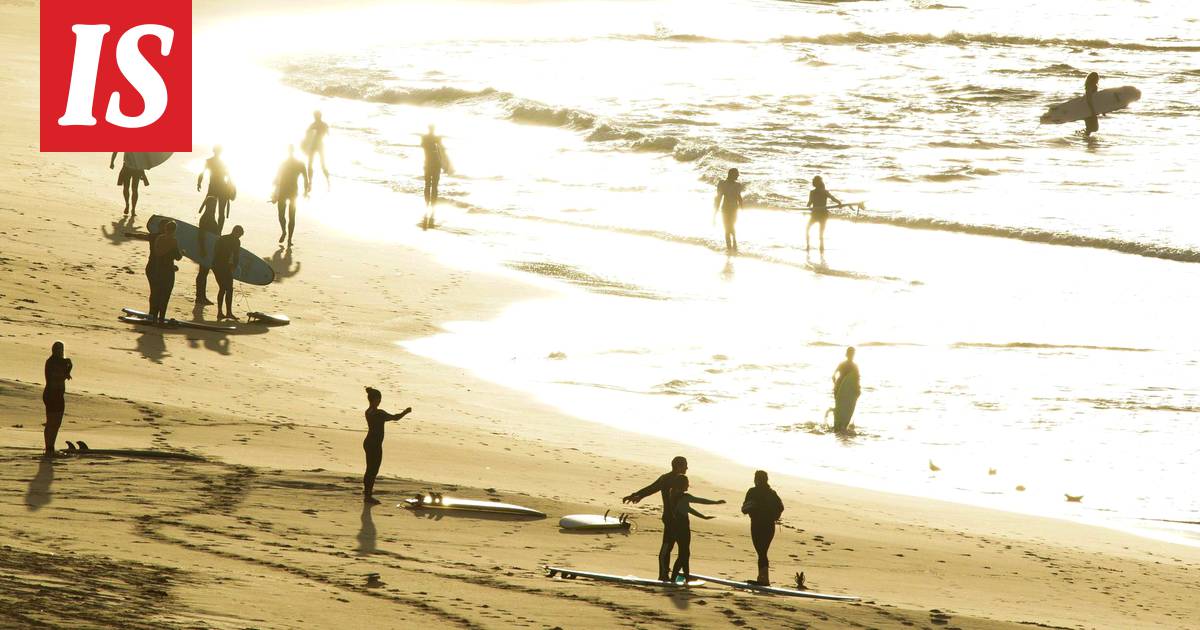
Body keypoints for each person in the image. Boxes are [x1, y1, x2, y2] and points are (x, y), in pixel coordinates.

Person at [622, 455, 689, 582]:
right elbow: (652, 488)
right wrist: (636, 495)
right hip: (670, 519)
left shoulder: (679, 479)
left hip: (680, 520)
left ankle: (676, 574)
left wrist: (637, 495)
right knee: (668, 546)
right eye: (685, 465)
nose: (687, 467)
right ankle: (663, 575)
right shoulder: (668, 479)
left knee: (681, 549)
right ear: (679, 466)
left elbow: (651, 488)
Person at [668, 475, 724, 584]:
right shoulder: (684, 497)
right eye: (687, 483)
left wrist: (703, 517)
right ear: (682, 484)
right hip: (683, 528)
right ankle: (674, 578)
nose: (688, 485)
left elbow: (688, 509)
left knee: (685, 553)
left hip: (675, 527)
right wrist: (716, 502)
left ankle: (686, 577)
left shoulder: (673, 495)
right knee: (684, 553)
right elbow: (700, 500)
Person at [362, 387, 413, 504]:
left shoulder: (368, 411)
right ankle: (368, 496)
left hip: (368, 442)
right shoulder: (379, 413)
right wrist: (406, 412)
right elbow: (396, 418)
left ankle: (367, 492)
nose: (380, 401)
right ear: (375, 399)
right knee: (373, 470)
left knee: (369, 468)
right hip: (375, 444)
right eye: (379, 399)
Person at [741, 470, 785, 585]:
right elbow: (781, 507)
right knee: (762, 551)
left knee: (761, 551)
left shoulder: (753, 492)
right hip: (769, 526)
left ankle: (764, 579)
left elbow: (745, 508)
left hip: (757, 525)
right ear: (766, 480)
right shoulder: (772, 493)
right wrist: (774, 516)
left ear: (757, 479)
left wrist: (753, 508)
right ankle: (763, 577)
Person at [273, 144, 310, 247]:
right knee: (285, 216)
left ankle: (288, 238)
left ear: (290, 151)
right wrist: (305, 192)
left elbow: (305, 178)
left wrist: (306, 191)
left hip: (289, 192)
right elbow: (277, 179)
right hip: (288, 192)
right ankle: (285, 233)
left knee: (287, 216)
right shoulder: (289, 163)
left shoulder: (294, 163)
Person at [147, 220, 183, 324]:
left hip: (158, 269)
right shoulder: (173, 241)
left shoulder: (159, 238)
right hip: (168, 271)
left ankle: (153, 316)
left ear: (165, 228)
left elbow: (157, 252)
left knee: (156, 293)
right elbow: (178, 257)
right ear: (174, 230)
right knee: (165, 295)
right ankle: (161, 319)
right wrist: (182, 253)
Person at [42, 342, 73, 457]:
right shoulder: (52, 362)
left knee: (56, 423)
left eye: (61, 349)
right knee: (52, 422)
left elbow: (67, 369)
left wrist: (68, 369)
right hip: (51, 394)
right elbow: (55, 375)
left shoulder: (61, 362)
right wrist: (66, 370)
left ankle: (50, 447)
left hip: (58, 395)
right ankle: (49, 448)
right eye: (58, 349)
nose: (60, 351)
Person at [196, 146, 234, 232]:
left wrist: (199, 183)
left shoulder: (210, 161)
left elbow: (202, 173)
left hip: (215, 188)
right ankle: (217, 230)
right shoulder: (222, 162)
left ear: (214, 151)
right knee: (219, 211)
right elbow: (229, 177)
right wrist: (199, 182)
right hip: (221, 188)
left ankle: (214, 229)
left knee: (211, 210)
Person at [420, 125, 451, 228]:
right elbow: (441, 152)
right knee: (434, 187)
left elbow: (426, 148)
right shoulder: (436, 139)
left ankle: (427, 205)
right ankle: (432, 207)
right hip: (436, 164)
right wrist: (445, 165)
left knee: (427, 185)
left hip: (428, 164)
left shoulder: (425, 138)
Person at [213, 226, 244, 321]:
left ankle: (220, 312)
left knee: (223, 288)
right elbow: (236, 256)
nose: (239, 237)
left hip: (216, 265)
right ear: (236, 232)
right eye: (239, 235)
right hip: (223, 266)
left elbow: (215, 252)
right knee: (229, 289)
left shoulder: (222, 238)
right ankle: (228, 313)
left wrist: (231, 266)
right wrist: (233, 266)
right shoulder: (236, 241)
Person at [195, 196, 221, 305]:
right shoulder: (206, 218)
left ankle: (201, 296)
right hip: (205, 249)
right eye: (213, 205)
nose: (214, 207)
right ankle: (199, 297)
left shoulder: (210, 216)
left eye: (215, 205)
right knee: (202, 273)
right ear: (208, 205)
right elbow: (201, 235)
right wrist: (203, 249)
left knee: (203, 273)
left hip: (209, 249)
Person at [806, 175, 841, 254]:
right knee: (820, 233)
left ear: (815, 183)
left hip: (816, 214)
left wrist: (807, 207)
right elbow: (833, 198)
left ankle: (808, 246)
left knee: (808, 229)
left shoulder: (813, 192)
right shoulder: (824, 191)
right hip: (822, 214)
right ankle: (821, 248)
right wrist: (839, 203)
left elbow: (809, 203)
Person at [109, 153, 149, 217]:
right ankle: (129, 206)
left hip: (134, 168)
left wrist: (112, 162)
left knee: (131, 189)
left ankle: (131, 208)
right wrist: (112, 162)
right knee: (131, 189)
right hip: (132, 168)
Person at [713, 168, 743, 252]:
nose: (738, 175)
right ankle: (732, 246)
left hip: (728, 209)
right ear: (731, 174)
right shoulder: (725, 184)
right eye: (736, 174)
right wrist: (714, 214)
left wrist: (742, 208)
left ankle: (732, 245)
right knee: (730, 227)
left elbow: (739, 198)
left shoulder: (725, 184)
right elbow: (719, 198)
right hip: (729, 209)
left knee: (728, 227)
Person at [832, 346, 861, 432]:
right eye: (851, 354)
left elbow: (833, 376)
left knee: (842, 408)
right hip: (841, 389)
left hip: (841, 389)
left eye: (852, 354)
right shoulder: (853, 366)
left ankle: (840, 427)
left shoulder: (845, 365)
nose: (852, 355)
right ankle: (840, 427)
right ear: (848, 354)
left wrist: (836, 385)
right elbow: (857, 379)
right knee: (842, 408)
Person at [304, 111, 330, 185]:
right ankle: (328, 181)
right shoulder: (325, 124)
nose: (314, 117)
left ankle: (310, 182)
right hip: (321, 145)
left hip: (314, 144)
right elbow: (328, 134)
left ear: (316, 116)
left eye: (315, 116)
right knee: (323, 164)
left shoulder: (314, 124)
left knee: (310, 164)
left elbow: (307, 133)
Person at [1083, 72, 1100, 137]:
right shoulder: (1089, 86)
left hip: (1092, 108)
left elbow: (1096, 99)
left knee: (1094, 128)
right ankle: (1084, 137)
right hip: (1088, 108)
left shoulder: (1094, 86)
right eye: (1097, 78)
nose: (1098, 79)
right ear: (1094, 78)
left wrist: (1103, 109)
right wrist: (1092, 110)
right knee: (1092, 128)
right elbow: (1088, 99)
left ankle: (1083, 136)